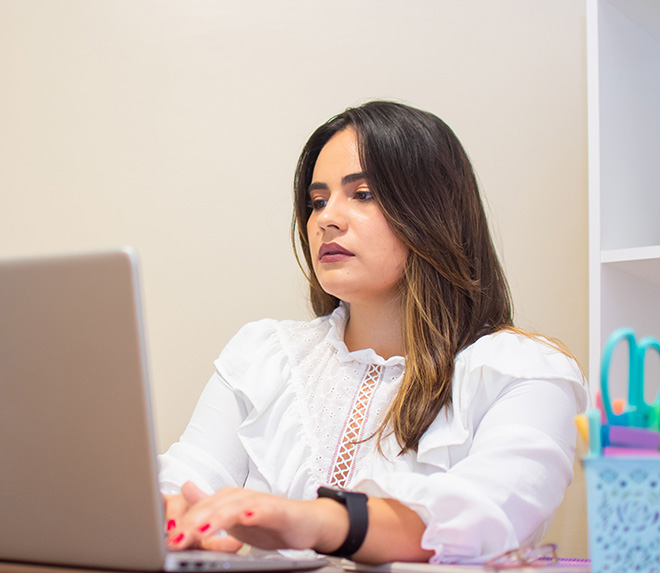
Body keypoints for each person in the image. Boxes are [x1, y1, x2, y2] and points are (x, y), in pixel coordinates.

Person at [158, 101, 587, 565]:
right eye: (317, 201)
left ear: (432, 210)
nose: (326, 219)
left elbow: (492, 512)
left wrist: (319, 520)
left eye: (362, 194)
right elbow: (184, 480)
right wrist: (173, 515)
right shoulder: (260, 356)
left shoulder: (524, 372)